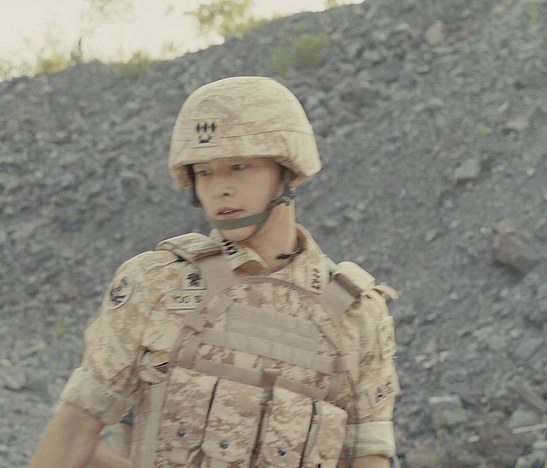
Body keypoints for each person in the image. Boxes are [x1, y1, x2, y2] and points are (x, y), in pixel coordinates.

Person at [30, 76, 399, 468]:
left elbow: (368, 456)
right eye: (204, 172)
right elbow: (75, 428)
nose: (220, 188)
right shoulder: (155, 282)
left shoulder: (356, 313)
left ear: (291, 172)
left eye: (239, 167)